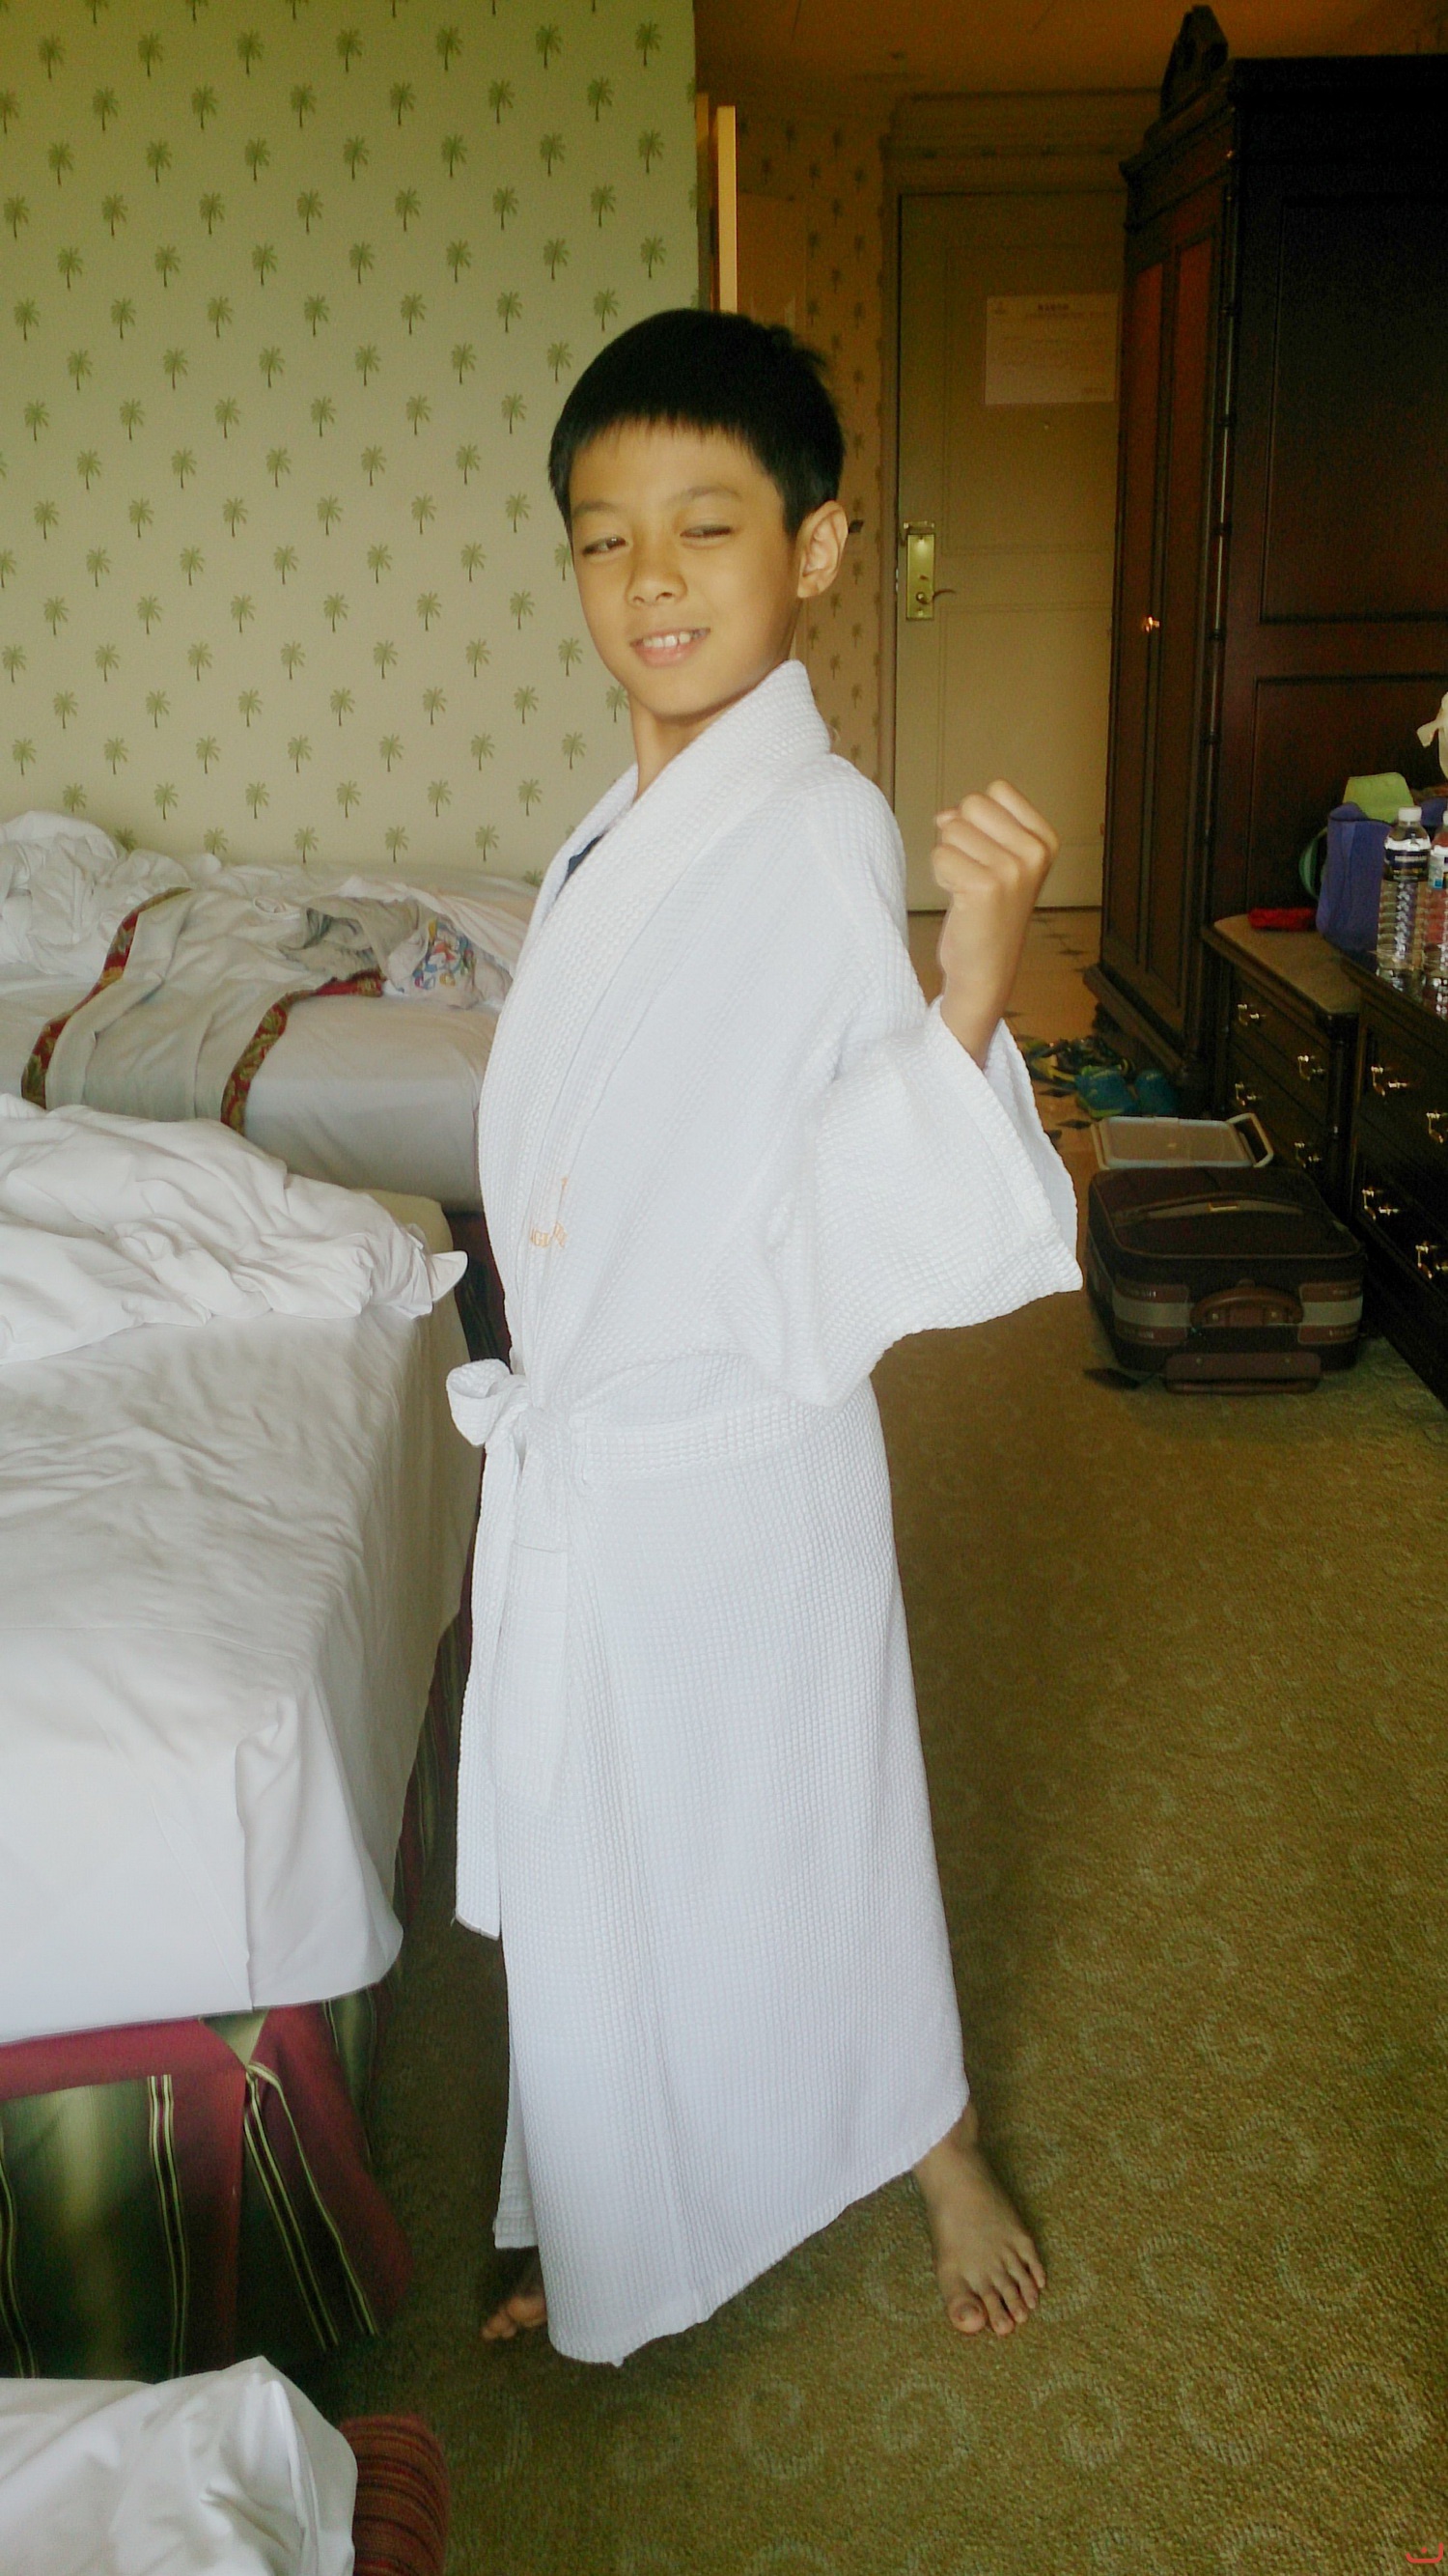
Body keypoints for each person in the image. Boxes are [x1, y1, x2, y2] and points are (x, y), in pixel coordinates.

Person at [445, 309, 1081, 2368]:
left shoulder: (813, 828)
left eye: (705, 527)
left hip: (731, 1453)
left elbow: (827, 1201)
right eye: (603, 534)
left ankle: (933, 2138)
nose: (649, 579)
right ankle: (604, 2197)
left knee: (804, 1822)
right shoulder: (620, 824)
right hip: (602, 1457)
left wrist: (971, 991)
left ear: (813, 549)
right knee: (610, 1843)